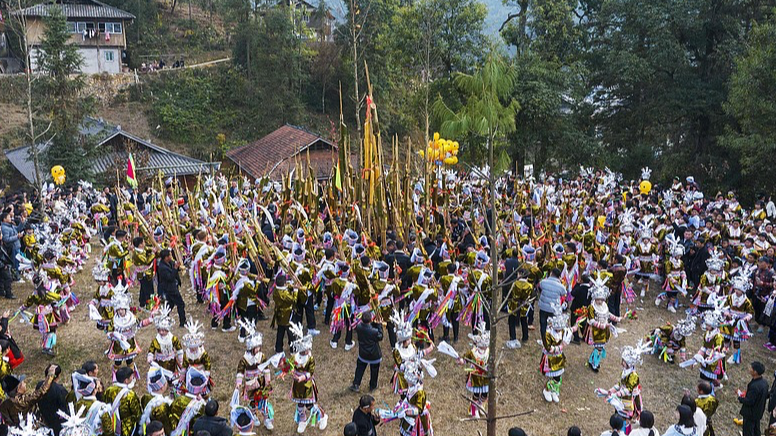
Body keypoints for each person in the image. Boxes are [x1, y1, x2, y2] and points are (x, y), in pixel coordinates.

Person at [103, 366, 142, 436]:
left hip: (112, 422)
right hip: (126, 426)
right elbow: (137, 413)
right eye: (131, 377)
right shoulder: (130, 394)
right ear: (126, 381)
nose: (132, 378)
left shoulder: (109, 390)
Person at [350, 311, 383, 393]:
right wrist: (379, 325)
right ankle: (373, 386)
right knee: (374, 370)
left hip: (363, 354)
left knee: (360, 369)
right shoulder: (374, 331)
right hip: (374, 354)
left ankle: (356, 384)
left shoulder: (358, 327)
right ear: (371, 319)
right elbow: (380, 336)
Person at [738, 361, 769, 436]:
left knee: (748, 431)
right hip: (758, 411)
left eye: (751, 368)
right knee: (756, 429)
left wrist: (740, 398)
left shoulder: (755, 386)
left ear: (755, 372)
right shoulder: (764, 382)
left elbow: (750, 401)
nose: (749, 369)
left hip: (750, 413)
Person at [36, 364, 67, 436]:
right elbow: (64, 409)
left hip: (45, 419)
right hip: (58, 424)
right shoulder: (60, 390)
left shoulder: (39, 385)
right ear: (58, 376)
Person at [158, 249, 186, 327]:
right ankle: (182, 322)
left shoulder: (169, 262)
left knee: (170, 305)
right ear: (166, 258)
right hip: (170, 289)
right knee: (180, 304)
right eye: (169, 255)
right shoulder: (162, 267)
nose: (171, 256)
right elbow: (170, 277)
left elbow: (176, 267)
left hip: (173, 286)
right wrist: (175, 268)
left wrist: (179, 267)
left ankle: (164, 318)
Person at [538, 268, 567, 338]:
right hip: (554, 308)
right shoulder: (561, 286)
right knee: (552, 325)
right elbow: (564, 293)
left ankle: (544, 339)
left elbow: (540, 287)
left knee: (543, 324)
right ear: (559, 276)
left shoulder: (543, 282)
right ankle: (551, 339)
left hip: (543, 307)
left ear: (551, 273)